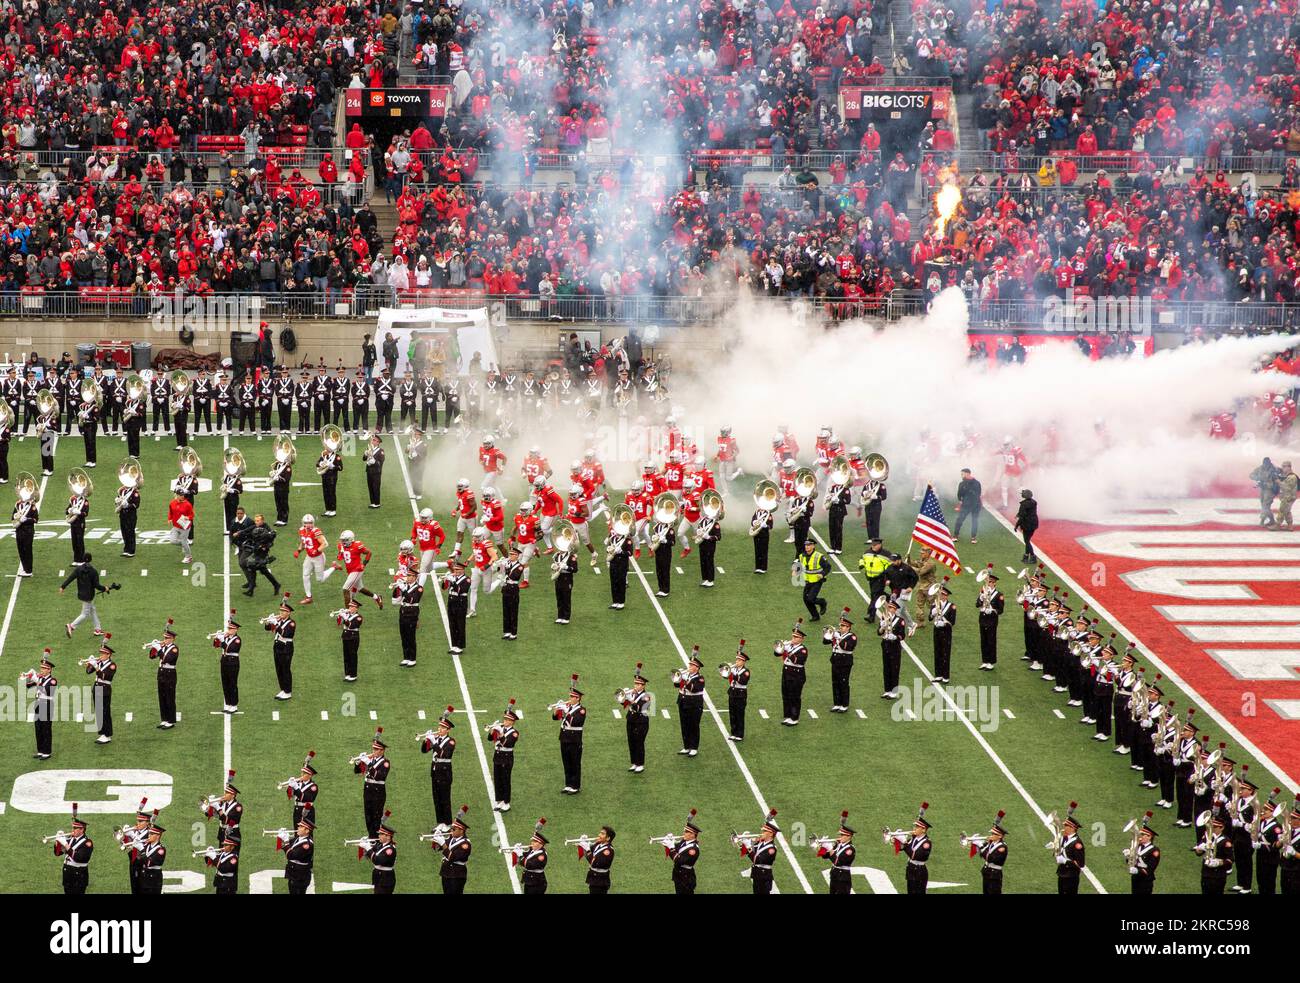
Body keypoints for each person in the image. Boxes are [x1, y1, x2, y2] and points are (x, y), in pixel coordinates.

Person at [420, 707, 457, 828]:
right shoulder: (436, 738)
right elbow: (424, 751)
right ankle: (440, 822)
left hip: (444, 772)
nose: (439, 729)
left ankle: (447, 823)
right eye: (439, 727)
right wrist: (426, 741)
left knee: (445, 798)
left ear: (448, 730)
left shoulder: (451, 742)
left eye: (442, 728)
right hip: (435, 771)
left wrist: (434, 742)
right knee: (437, 798)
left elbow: (443, 754)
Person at [61, 552, 111, 638]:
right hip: (89, 596)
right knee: (84, 614)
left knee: (92, 609)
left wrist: (63, 586)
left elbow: (71, 578)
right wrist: (105, 588)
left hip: (81, 594)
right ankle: (71, 626)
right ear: (91, 559)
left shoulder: (78, 569)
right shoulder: (93, 571)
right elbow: (97, 585)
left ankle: (97, 629)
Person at [50, 807, 93, 895]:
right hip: (68, 873)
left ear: (82, 830)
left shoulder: (87, 843)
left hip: (79, 875)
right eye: (73, 827)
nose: (72, 830)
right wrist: (57, 841)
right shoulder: (71, 839)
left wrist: (65, 844)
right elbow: (58, 853)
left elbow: (79, 858)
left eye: (75, 828)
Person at [554, 678, 586, 794]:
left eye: (572, 697)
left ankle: (575, 786)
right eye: (570, 696)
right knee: (566, 762)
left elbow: (575, 722)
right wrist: (557, 709)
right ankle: (568, 784)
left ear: (578, 698)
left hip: (574, 740)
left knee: (574, 763)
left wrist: (566, 710)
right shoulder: (569, 707)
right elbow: (556, 718)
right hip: (564, 738)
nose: (570, 698)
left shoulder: (581, 710)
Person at [774, 621, 809, 725]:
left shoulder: (803, 650)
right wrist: (781, 646)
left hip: (796, 675)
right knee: (786, 694)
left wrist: (786, 650)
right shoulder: (789, 646)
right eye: (793, 636)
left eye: (796, 637)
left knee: (794, 696)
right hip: (786, 673)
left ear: (801, 639)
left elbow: (797, 660)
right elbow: (776, 653)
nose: (793, 639)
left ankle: (794, 718)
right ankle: (787, 716)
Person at [22, 652, 56, 758]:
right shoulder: (40, 678)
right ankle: (40, 750)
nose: (42, 670)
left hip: (47, 704)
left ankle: (47, 752)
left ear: (49, 670)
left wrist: (37, 680)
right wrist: (28, 676)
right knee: (38, 728)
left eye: (44, 668)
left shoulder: (53, 680)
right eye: (41, 668)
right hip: (38, 704)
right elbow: (28, 685)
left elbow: (47, 691)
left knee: (46, 728)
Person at [619, 664, 652, 770]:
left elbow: (639, 707)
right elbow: (624, 705)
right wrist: (624, 699)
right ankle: (634, 762)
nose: (636, 686)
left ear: (643, 686)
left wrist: (630, 699)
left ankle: (640, 764)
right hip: (631, 719)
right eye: (635, 684)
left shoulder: (647, 696)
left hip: (641, 721)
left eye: (638, 684)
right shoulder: (632, 694)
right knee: (631, 741)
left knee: (639, 742)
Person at [488, 702, 520, 811]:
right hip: (497, 756)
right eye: (504, 719)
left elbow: (508, 743)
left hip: (506, 758)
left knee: (505, 780)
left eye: (507, 720)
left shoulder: (514, 733)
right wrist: (492, 730)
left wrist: (501, 733)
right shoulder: (501, 728)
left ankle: (507, 802)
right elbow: (490, 738)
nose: (504, 721)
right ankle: (500, 800)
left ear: (512, 722)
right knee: (497, 779)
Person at [264, 596, 296, 700]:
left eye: (283, 611)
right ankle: (283, 689)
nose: (281, 613)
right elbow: (267, 628)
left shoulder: (291, 623)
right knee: (279, 669)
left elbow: (286, 634)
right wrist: (269, 622)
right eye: (281, 611)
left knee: (285, 669)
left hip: (286, 648)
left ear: (288, 613)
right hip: (277, 646)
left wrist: (276, 624)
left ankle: (288, 691)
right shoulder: (280, 621)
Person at [674, 649, 705, 757]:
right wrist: (678, 678)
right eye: (689, 665)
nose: (689, 667)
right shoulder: (686, 676)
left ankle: (694, 747)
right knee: (684, 724)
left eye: (692, 666)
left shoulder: (700, 678)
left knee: (694, 725)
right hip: (683, 702)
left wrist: (684, 680)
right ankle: (686, 746)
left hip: (694, 704)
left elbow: (694, 689)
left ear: (697, 668)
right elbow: (677, 685)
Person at [819, 812, 857, 895]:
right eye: (841, 834)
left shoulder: (850, 850)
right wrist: (823, 847)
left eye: (843, 835)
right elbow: (825, 856)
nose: (841, 836)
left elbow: (838, 862)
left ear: (849, 837)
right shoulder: (838, 844)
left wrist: (830, 848)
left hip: (843, 878)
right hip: (834, 875)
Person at [438, 808, 472, 893]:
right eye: (452, 829)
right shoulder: (451, 838)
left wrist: (443, 844)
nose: (451, 831)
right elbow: (437, 848)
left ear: (461, 831)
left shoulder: (465, 845)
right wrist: (436, 840)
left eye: (454, 829)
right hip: (446, 872)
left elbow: (452, 857)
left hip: (457, 874)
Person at [797, 539, 830, 621]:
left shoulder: (819, 556)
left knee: (811, 598)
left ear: (813, 546)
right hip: (808, 581)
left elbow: (828, 567)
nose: (807, 547)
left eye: (809, 545)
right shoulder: (802, 556)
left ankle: (822, 602)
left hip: (817, 581)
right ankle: (815, 616)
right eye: (806, 545)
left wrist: (822, 574)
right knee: (806, 599)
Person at [954, 468, 983, 543]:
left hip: (971, 505)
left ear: (967, 474)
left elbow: (960, 495)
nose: (961, 475)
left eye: (962, 474)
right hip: (972, 504)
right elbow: (979, 493)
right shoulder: (975, 483)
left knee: (968, 520)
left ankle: (958, 536)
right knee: (967, 520)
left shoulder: (965, 483)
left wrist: (962, 500)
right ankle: (970, 537)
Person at [583, 827, 616, 894]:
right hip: (593, 879)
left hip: (600, 882)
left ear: (608, 838)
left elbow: (594, 863)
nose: (599, 835)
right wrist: (583, 841)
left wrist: (587, 849)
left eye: (602, 834)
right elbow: (587, 855)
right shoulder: (598, 844)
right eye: (600, 833)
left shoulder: (608, 851)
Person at [1251, 457, 1281, 527]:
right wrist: (1257, 478)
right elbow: (1251, 475)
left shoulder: (1274, 469)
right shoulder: (1260, 468)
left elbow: (1279, 478)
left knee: (1265, 505)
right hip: (1263, 489)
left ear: (1270, 463)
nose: (1266, 465)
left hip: (1270, 490)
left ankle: (1262, 521)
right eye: (1264, 463)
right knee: (1263, 505)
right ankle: (1272, 520)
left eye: (1267, 463)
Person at [1014, 488, 1039, 563]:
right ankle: (1026, 556)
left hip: (1027, 524)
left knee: (1027, 541)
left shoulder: (1024, 504)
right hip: (1034, 523)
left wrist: (1017, 525)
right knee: (1027, 540)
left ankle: (1032, 556)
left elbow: (1022, 516)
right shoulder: (1034, 502)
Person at [1275, 461, 1298, 530]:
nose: (1283, 468)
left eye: (1284, 466)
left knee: (1282, 511)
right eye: (1282, 466)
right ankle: (1290, 526)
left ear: (1289, 467)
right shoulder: (1288, 476)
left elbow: (1286, 487)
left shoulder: (1292, 477)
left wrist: (1278, 482)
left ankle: (1277, 525)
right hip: (1287, 497)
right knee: (1287, 511)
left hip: (1288, 497)